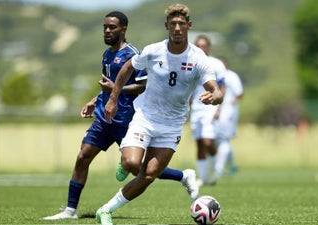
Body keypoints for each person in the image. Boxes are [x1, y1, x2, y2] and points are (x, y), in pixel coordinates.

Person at [43, 10, 197, 221]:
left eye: (112, 27)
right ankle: (70, 210)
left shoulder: (133, 54)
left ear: (123, 29)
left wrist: (116, 91)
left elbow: (142, 86)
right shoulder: (107, 54)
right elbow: (109, 85)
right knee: (83, 156)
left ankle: (182, 175)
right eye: (105, 27)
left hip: (127, 118)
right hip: (104, 117)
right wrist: (95, 100)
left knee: (137, 168)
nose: (107, 31)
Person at [96, 4, 223, 225]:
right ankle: (132, 163)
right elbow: (127, 68)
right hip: (145, 117)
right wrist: (113, 99)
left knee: (148, 174)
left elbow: (216, 89)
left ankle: (105, 210)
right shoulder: (153, 50)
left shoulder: (198, 57)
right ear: (166, 26)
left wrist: (216, 95)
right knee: (131, 163)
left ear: (188, 26)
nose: (176, 28)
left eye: (181, 24)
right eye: (172, 24)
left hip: (172, 124)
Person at [190, 35, 227, 186]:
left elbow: (222, 87)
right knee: (199, 143)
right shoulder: (190, 63)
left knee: (207, 141)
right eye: (198, 45)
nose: (201, 48)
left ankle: (216, 170)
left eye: (204, 45)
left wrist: (219, 107)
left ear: (209, 47)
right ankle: (204, 178)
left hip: (211, 107)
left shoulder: (216, 64)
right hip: (196, 108)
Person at [210, 59, 244, 184]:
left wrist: (230, 105)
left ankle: (218, 169)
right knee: (217, 140)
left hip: (228, 113)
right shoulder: (213, 76)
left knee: (223, 139)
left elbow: (240, 94)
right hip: (217, 112)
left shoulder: (231, 76)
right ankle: (232, 165)